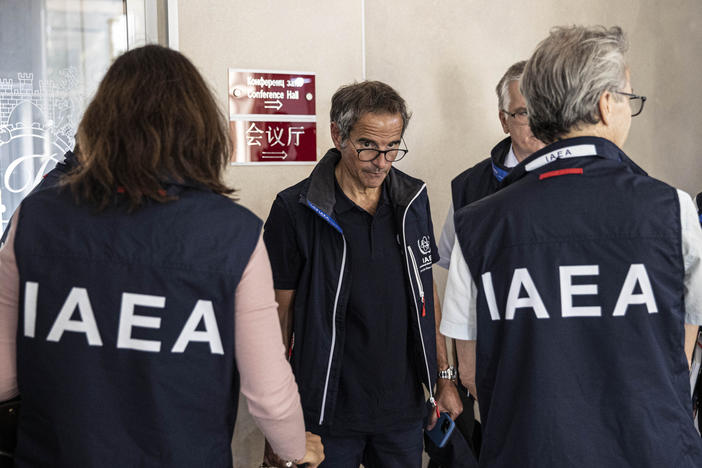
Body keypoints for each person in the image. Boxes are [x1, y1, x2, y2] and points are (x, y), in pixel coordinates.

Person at [0, 45, 324, 468]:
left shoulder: (37, 217)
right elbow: (268, 392)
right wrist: (296, 450)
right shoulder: (233, 233)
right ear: (201, 129)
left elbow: (4, 375)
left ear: (99, 125)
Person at [441, 25, 702, 467]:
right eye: (629, 99)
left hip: (526, 448)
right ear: (606, 103)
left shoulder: (477, 223)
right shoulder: (671, 209)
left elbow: (470, 369)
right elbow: (683, 344)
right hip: (649, 446)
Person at [263, 80, 462, 467]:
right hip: (326, 411)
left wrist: (445, 377)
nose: (382, 161)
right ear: (338, 135)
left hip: (401, 411)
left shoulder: (412, 200)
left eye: (393, 147)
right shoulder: (295, 209)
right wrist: (279, 412)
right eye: (368, 145)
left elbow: (426, 294)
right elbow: (277, 315)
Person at [429, 61, 545, 468]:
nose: (536, 121)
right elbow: (456, 282)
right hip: (489, 355)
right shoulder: (471, 187)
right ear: (503, 120)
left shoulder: (580, 178)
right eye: (523, 112)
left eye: (544, 107)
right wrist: (460, 368)